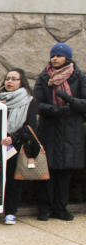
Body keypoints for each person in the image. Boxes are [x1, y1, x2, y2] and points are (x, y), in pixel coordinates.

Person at [0, 69, 40, 226]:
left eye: (14, 79)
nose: (9, 82)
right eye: (7, 79)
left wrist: (13, 138)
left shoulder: (29, 101)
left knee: (13, 181)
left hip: (16, 147)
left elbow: (30, 126)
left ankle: (10, 212)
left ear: (21, 82)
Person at [33, 42, 86, 222]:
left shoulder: (79, 77)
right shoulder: (43, 78)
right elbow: (37, 104)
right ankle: (45, 208)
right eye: (53, 55)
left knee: (64, 172)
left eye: (58, 55)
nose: (54, 58)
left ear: (67, 58)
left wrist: (69, 99)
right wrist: (55, 110)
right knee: (47, 171)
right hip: (49, 129)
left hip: (71, 132)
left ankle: (61, 208)